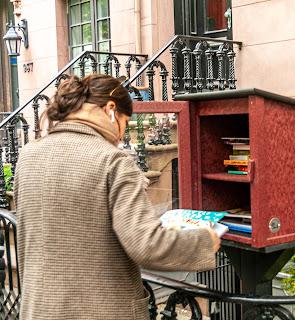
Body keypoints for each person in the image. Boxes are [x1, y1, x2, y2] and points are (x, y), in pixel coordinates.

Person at [15, 74, 220, 320]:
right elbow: (148, 245)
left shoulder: (28, 156)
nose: (121, 135)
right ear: (111, 109)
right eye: (125, 122)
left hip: (39, 310)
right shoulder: (113, 161)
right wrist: (205, 240)